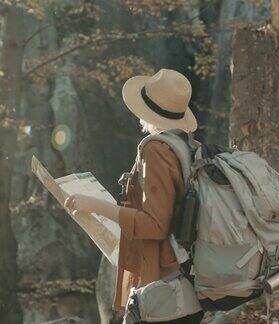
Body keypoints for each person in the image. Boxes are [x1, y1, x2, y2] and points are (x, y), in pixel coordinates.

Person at [64, 69, 204, 323]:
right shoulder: (187, 147)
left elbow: (155, 225)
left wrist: (96, 206)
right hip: (186, 282)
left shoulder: (156, 150)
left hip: (163, 288)